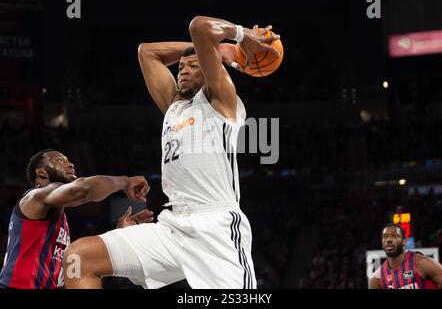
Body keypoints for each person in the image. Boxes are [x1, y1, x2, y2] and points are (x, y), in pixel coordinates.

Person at [62, 16, 280, 289]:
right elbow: (147, 52)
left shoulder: (221, 100)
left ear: (213, 71)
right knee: (78, 257)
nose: (183, 70)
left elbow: (199, 26)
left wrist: (236, 38)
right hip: (173, 225)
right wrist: (199, 49)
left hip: (216, 227)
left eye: (194, 65)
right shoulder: (174, 107)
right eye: (181, 66)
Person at [0, 149, 152, 289]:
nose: (70, 163)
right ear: (41, 172)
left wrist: (118, 235)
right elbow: (84, 189)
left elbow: (80, 269)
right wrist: (125, 182)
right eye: (60, 160)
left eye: (68, 160)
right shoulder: (34, 197)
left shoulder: (56, 221)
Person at [369, 223, 442, 289]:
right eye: (385, 237)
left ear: (404, 242)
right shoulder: (376, 279)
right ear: (382, 244)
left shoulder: (422, 263)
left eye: (394, 236)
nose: (389, 240)